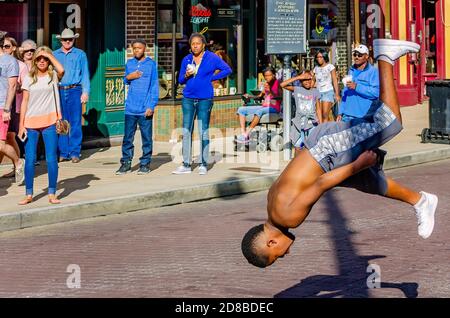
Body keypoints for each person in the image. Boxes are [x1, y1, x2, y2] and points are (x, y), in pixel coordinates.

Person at [241, 39, 438, 268]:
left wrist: (357, 163)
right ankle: (421, 201)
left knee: (389, 123)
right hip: (321, 151)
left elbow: (321, 183)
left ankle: (385, 57)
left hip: (328, 152)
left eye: (279, 255)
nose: (286, 253)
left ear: (271, 243)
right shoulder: (272, 205)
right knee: (370, 182)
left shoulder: (288, 217)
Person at [172, 32, 231, 175]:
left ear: (203, 45)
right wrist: (185, 76)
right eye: (193, 44)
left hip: (205, 98)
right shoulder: (186, 59)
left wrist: (212, 77)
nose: (195, 46)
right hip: (188, 98)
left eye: (198, 43)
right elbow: (180, 80)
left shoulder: (211, 58)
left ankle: (203, 163)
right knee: (186, 130)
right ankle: (186, 164)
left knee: (203, 130)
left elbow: (227, 69)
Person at [17, 46, 65, 205]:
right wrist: (21, 126)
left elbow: (61, 69)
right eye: (39, 58)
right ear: (35, 60)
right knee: (30, 159)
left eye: (45, 58)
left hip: (50, 122)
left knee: (51, 159)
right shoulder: (29, 78)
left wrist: (47, 54)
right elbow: (24, 102)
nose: (42, 61)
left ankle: (52, 192)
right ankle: (29, 193)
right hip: (30, 123)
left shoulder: (53, 76)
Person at [115, 39, 159, 175]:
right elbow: (125, 80)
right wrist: (130, 76)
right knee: (128, 138)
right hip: (130, 108)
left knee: (146, 138)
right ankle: (126, 163)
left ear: (144, 48)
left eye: (139, 48)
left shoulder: (151, 65)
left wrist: (151, 105)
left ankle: (145, 163)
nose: (136, 50)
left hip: (145, 109)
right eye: (134, 48)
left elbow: (154, 86)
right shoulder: (130, 63)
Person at [53, 28, 90, 163]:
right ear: (61, 41)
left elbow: (85, 74)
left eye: (70, 39)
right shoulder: (54, 54)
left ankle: (75, 152)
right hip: (59, 90)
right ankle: (63, 152)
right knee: (62, 121)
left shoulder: (80, 54)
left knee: (75, 121)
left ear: (74, 39)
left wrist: (85, 92)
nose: (67, 41)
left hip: (75, 90)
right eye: (65, 39)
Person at [0, 31, 24, 184]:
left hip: (2, 105)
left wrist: (7, 109)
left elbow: (13, 85)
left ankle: (18, 162)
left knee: (1, 143)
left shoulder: (10, 61)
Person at [235, 67, 282, 144]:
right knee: (241, 109)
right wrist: (250, 96)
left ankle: (247, 133)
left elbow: (281, 97)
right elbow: (260, 96)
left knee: (259, 111)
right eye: (265, 76)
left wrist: (270, 90)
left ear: (273, 75)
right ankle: (244, 135)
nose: (267, 77)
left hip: (274, 107)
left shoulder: (278, 83)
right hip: (264, 106)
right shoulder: (266, 84)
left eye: (269, 75)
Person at [280, 70, 321, 157]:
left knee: (311, 146)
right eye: (304, 80)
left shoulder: (315, 91)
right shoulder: (297, 89)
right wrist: (298, 77)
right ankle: (296, 165)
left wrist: (320, 123)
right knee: (298, 146)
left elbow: (318, 109)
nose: (307, 82)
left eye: (309, 79)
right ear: (301, 81)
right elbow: (282, 85)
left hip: (312, 123)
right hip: (299, 123)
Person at [337, 44, 380, 122]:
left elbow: (376, 93)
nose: (356, 57)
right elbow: (345, 93)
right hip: (347, 116)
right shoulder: (351, 70)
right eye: (355, 55)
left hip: (363, 116)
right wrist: (340, 112)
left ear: (366, 56)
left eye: (359, 55)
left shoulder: (373, 72)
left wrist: (357, 87)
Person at [312, 49, 340, 122]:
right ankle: (321, 131)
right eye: (317, 57)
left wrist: (337, 94)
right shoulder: (316, 68)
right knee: (319, 115)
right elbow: (313, 80)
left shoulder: (330, 67)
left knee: (325, 114)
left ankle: (325, 131)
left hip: (327, 92)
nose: (319, 59)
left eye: (321, 57)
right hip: (318, 93)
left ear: (324, 57)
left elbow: (334, 80)